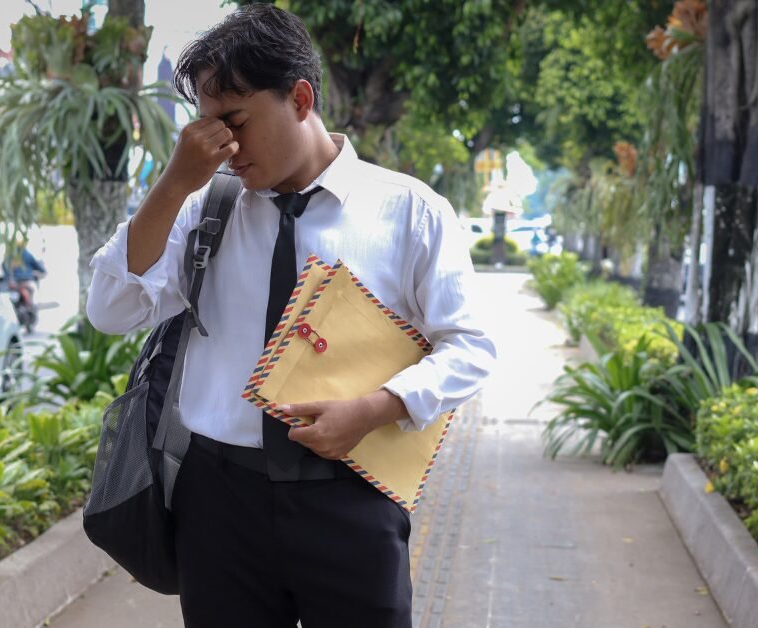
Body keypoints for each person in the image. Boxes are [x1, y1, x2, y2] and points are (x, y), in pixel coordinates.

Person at [84, 5, 496, 627]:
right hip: (220, 501)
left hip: (352, 495)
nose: (219, 146)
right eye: (205, 125)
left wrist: (375, 407)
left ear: (300, 98)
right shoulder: (205, 209)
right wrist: (173, 184)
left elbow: (469, 346)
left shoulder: (409, 212)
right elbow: (111, 310)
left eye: (235, 121)